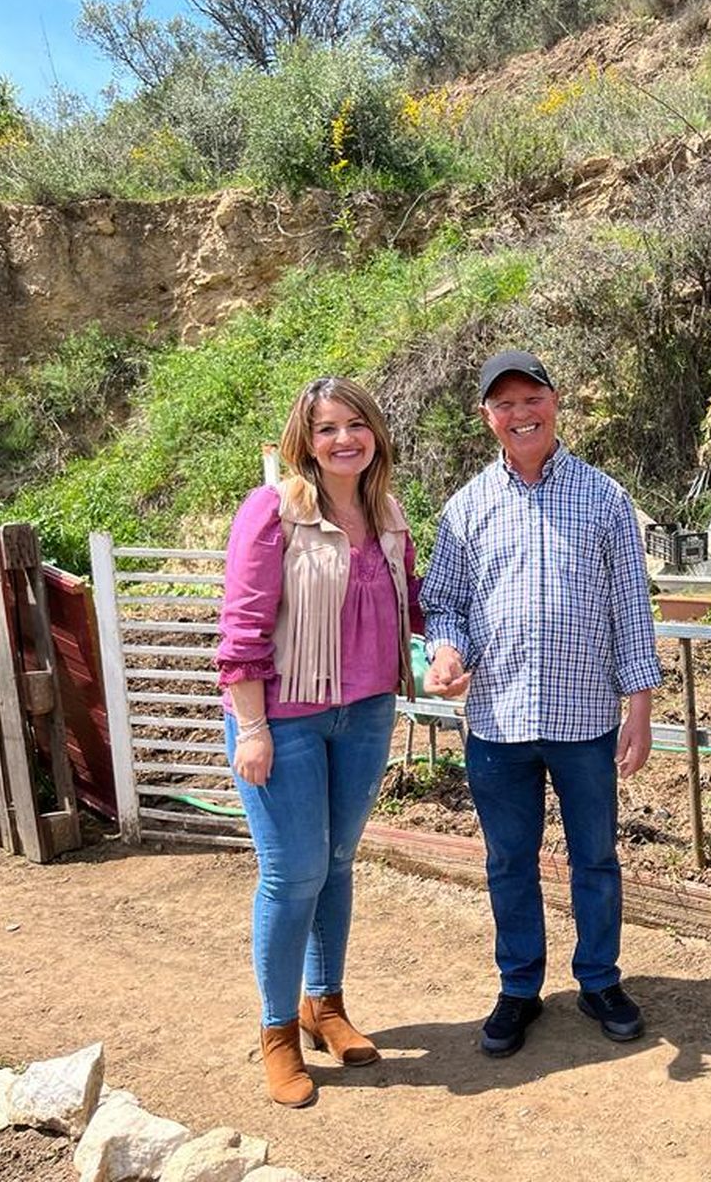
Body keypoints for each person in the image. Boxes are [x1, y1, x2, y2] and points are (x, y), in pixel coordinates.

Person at [421, 348, 663, 1058]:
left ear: (556, 403)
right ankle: (519, 987)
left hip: (586, 717)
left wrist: (640, 707)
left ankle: (599, 979)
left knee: (595, 858)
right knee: (507, 861)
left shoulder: (604, 497)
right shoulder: (466, 506)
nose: (521, 415)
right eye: (505, 404)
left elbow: (630, 609)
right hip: (496, 718)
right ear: (486, 416)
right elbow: (444, 603)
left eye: (532, 400)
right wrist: (446, 650)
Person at [217, 376, 423, 1108]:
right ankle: (277, 1031)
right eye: (328, 428)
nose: (344, 439)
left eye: (356, 424)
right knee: (291, 873)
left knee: (336, 863)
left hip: (365, 712)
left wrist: (453, 644)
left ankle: (324, 1006)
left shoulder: (387, 513)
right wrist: (250, 728)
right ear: (303, 440)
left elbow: (412, 602)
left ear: (375, 434)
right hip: (284, 719)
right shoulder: (273, 511)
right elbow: (240, 628)